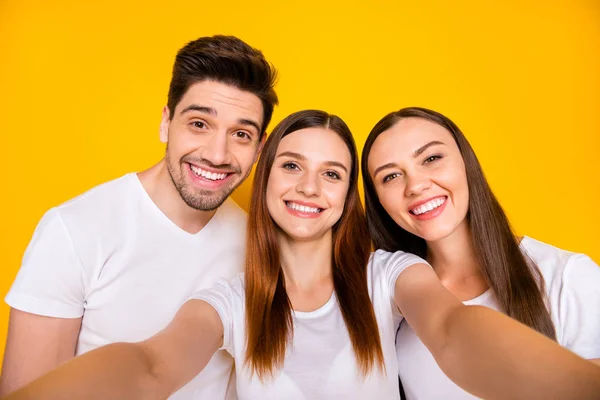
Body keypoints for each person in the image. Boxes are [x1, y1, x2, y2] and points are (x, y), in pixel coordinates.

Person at [4, 109, 600, 400]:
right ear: (263, 181)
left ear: (347, 199)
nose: (310, 187)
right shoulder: (229, 300)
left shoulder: (388, 275)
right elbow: (151, 366)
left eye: (332, 173)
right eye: (291, 166)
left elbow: (451, 329)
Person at [0, 35, 278, 399]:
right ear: (166, 122)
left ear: (259, 148)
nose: (217, 153)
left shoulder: (259, 245)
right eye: (199, 124)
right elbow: (28, 392)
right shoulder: (74, 230)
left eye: (241, 134)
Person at [361, 106, 600, 399]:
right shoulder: (386, 294)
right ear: (378, 200)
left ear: (466, 163)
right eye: (391, 176)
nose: (416, 185)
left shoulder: (569, 277)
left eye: (432, 159)